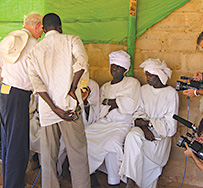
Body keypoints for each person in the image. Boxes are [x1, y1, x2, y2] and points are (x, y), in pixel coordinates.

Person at [27, 13, 90, 188]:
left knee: (48, 157)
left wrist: (54, 109)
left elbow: (37, 84)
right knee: (77, 155)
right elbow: (82, 62)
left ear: (44, 29)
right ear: (60, 27)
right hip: (69, 106)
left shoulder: (34, 52)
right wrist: (72, 87)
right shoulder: (72, 40)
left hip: (48, 110)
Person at [119, 58, 179, 188]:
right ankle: (130, 181)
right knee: (132, 136)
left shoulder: (171, 93)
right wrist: (144, 128)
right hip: (143, 131)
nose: (148, 78)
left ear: (159, 75)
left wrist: (149, 124)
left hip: (159, 137)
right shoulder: (144, 89)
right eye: (146, 74)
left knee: (147, 177)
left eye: (151, 75)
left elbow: (170, 125)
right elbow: (138, 112)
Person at [86, 50, 141, 187]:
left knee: (112, 143)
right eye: (113, 66)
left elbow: (130, 105)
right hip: (105, 122)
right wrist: (116, 102)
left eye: (118, 67)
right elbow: (101, 108)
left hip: (122, 124)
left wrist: (110, 102)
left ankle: (113, 182)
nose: (114, 69)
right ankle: (90, 175)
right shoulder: (105, 86)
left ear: (125, 70)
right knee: (85, 136)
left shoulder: (132, 83)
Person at [0, 13, 43, 188]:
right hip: (18, 95)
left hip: (4, 92)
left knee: (7, 141)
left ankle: (8, 180)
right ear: (38, 26)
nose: (42, 33)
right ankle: (14, 184)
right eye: (42, 29)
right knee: (17, 144)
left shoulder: (9, 38)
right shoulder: (35, 46)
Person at [57, 77, 100, 177]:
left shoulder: (92, 85)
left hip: (86, 124)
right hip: (68, 121)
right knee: (61, 144)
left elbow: (94, 111)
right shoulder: (67, 83)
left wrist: (83, 101)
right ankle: (57, 172)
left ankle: (85, 175)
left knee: (82, 144)